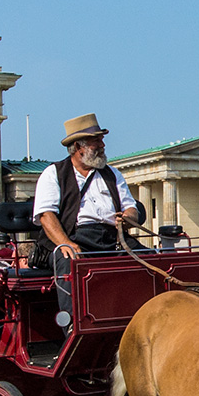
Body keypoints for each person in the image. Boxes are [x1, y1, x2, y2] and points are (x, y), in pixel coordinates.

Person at [32, 114, 143, 331]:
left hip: (113, 239)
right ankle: (74, 327)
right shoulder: (53, 174)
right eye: (96, 141)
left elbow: (132, 208)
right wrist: (65, 243)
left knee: (153, 260)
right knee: (69, 262)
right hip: (75, 238)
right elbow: (46, 215)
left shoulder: (112, 174)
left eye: (101, 140)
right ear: (78, 146)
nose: (102, 145)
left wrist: (128, 217)